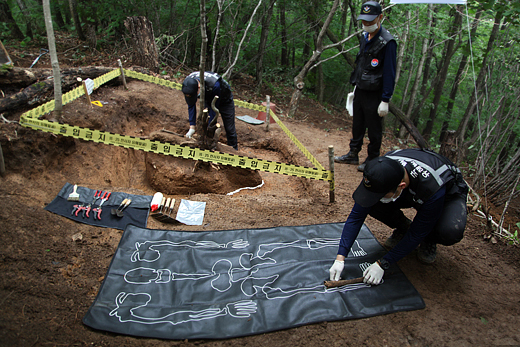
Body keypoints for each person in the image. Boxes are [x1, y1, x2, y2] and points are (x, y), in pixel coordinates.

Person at [329, 148, 469, 285]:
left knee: (449, 230)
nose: (375, 197)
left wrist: (383, 263)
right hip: (410, 187)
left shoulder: (432, 187)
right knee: (372, 203)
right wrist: (340, 258)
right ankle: (403, 227)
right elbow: (356, 217)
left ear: (401, 186)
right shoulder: (379, 173)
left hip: (447, 193)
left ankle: (430, 239)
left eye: (381, 195)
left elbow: (417, 233)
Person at [335, 1, 397, 172]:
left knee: (374, 127)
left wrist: (385, 99)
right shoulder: (365, 37)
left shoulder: (388, 42)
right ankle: (353, 153)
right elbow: (361, 63)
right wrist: (355, 86)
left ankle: (372, 158)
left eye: (370, 21)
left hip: (376, 93)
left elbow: (390, 72)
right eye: (364, 21)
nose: (367, 25)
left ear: (380, 18)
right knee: (358, 123)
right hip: (361, 89)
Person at [181, 71, 238, 150]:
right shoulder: (188, 84)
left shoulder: (214, 85)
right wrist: (192, 127)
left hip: (225, 101)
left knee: (229, 129)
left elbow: (214, 108)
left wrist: (209, 129)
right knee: (205, 119)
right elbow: (191, 104)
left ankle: (234, 150)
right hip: (207, 97)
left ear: (199, 87)